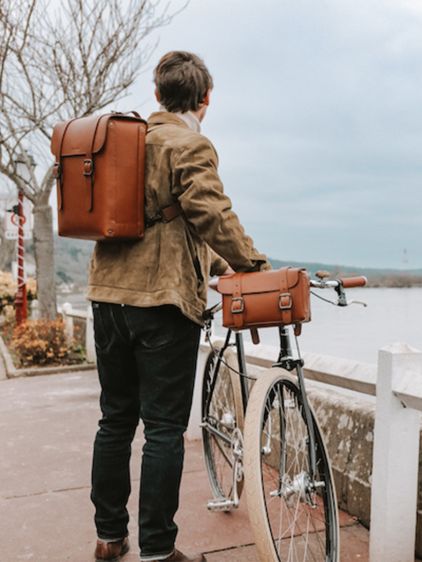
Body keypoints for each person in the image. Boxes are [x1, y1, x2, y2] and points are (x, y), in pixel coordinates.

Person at [88, 51, 270, 562]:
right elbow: (209, 213)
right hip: (162, 303)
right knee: (164, 428)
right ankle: (158, 550)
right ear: (205, 99)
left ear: (158, 92)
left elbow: (167, 223)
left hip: (107, 297)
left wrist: (216, 268)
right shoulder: (190, 144)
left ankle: (108, 537)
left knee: (115, 420)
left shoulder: (125, 141)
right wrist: (251, 264)